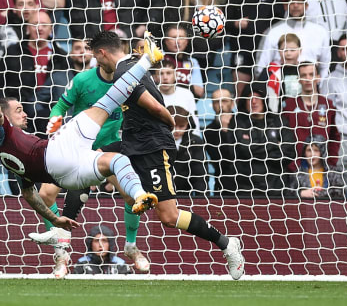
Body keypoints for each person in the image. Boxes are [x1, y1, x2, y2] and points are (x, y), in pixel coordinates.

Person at [0, 32, 164, 276]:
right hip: (66, 150)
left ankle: (129, 245)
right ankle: (61, 253)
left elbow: (28, 194)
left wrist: (55, 220)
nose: (25, 114)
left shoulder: (10, 154)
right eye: (19, 110)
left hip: (85, 157)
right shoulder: (5, 131)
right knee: (109, 102)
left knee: (123, 179)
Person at [63, 32, 245, 279]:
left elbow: (155, 106)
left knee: (169, 216)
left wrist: (170, 122)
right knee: (89, 162)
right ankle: (63, 238)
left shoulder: (123, 71)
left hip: (150, 147)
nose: (97, 63)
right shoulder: (132, 64)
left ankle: (226, 244)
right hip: (132, 143)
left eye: (96, 56)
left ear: (102, 53)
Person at [40, 36, 152, 276]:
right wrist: (55, 120)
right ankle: (61, 251)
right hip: (78, 151)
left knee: (133, 198)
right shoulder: (82, 80)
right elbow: (60, 106)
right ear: (103, 55)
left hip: (109, 151)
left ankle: (131, 246)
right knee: (44, 195)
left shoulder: (131, 81)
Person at [216, 83, 296, 196]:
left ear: (264, 100)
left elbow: (289, 153)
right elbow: (242, 150)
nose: (254, 101)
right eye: (249, 98)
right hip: (244, 189)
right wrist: (274, 144)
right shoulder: (237, 122)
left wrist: (252, 151)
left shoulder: (279, 121)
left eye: (258, 97)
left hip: (275, 189)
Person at [256, 0, 331, 82]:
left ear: (306, 6)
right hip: (280, 86)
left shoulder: (320, 31)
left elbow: (325, 67)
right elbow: (260, 67)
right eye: (292, 2)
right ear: (285, 6)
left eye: (299, 2)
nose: (295, 5)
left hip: (311, 87)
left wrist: (320, 86)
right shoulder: (273, 32)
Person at [283, 61, 340, 170]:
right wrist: (291, 165)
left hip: (322, 168)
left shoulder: (328, 104)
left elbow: (334, 136)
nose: (308, 79)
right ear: (298, 79)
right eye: (304, 75)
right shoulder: (289, 106)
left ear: (318, 77)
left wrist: (331, 163)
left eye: (311, 74)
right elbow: (284, 137)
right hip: (296, 168)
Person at [327, 34, 347, 177]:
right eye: (344, 48)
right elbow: (327, 111)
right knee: (342, 190)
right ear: (339, 52)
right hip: (342, 140)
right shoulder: (331, 79)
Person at [288, 136, 345, 200]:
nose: (312, 154)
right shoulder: (298, 174)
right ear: (304, 153)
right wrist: (300, 193)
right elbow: (289, 193)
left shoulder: (334, 173)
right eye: (309, 150)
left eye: (316, 150)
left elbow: (339, 193)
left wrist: (319, 194)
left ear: (322, 152)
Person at [203, 88, 237, 194]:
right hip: (224, 184)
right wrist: (225, 129)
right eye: (216, 102)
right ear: (212, 105)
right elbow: (224, 160)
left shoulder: (243, 124)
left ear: (232, 103)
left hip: (246, 183)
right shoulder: (209, 130)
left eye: (225, 101)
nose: (221, 105)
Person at [257, 33, 302, 113]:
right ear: (278, 51)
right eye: (284, 50)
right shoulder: (271, 70)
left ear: (300, 51)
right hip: (278, 113)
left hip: (301, 112)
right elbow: (259, 91)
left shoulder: (305, 70)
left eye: (292, 50)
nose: (288, 54)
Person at [168, 106, 207, 194]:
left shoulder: (195, 142)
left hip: (186, 195)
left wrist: (201, 201)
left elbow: (200, 176)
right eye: (173, 126)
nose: (177, 130)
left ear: (188, 125)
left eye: (181, 126)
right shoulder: (157, 141)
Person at [162, 23, 204, 98]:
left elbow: (199, 91)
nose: (177, 41)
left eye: (181, 38)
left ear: (187, 41)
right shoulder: (159, 58)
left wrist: (173, 85)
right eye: (173, 37)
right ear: (166, 41)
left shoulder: (192, 62)